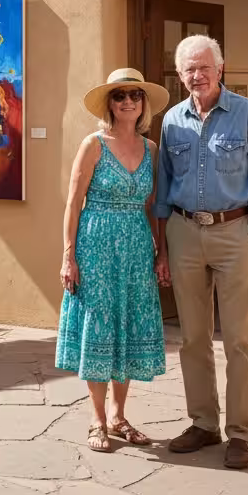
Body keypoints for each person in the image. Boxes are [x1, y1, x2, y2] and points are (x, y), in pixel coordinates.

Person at [153, 35, 248, 470]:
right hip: (184, 233)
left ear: (220, 68)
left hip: (234, 233)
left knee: (240, 341)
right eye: (188, 68)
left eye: (204, 66)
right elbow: (163, 190)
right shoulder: (171, 121)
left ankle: (240, 434)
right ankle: (203, 423)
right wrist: (164, 248)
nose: (197, 75)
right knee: (192, 338)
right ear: (180, 73)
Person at [56, 68, 171, 453]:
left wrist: (162, 251)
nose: (127, 102)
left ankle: (120, 417)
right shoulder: (93, 144)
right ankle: (97, 419)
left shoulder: (152, 149)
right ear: (110, 103)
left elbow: (154, 205)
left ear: (143, 104)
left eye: (134, 96)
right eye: (120, 96)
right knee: (100, 328)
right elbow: (73, 204)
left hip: (137, 248)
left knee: (128, 328)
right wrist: (68, 256)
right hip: (96, 246)